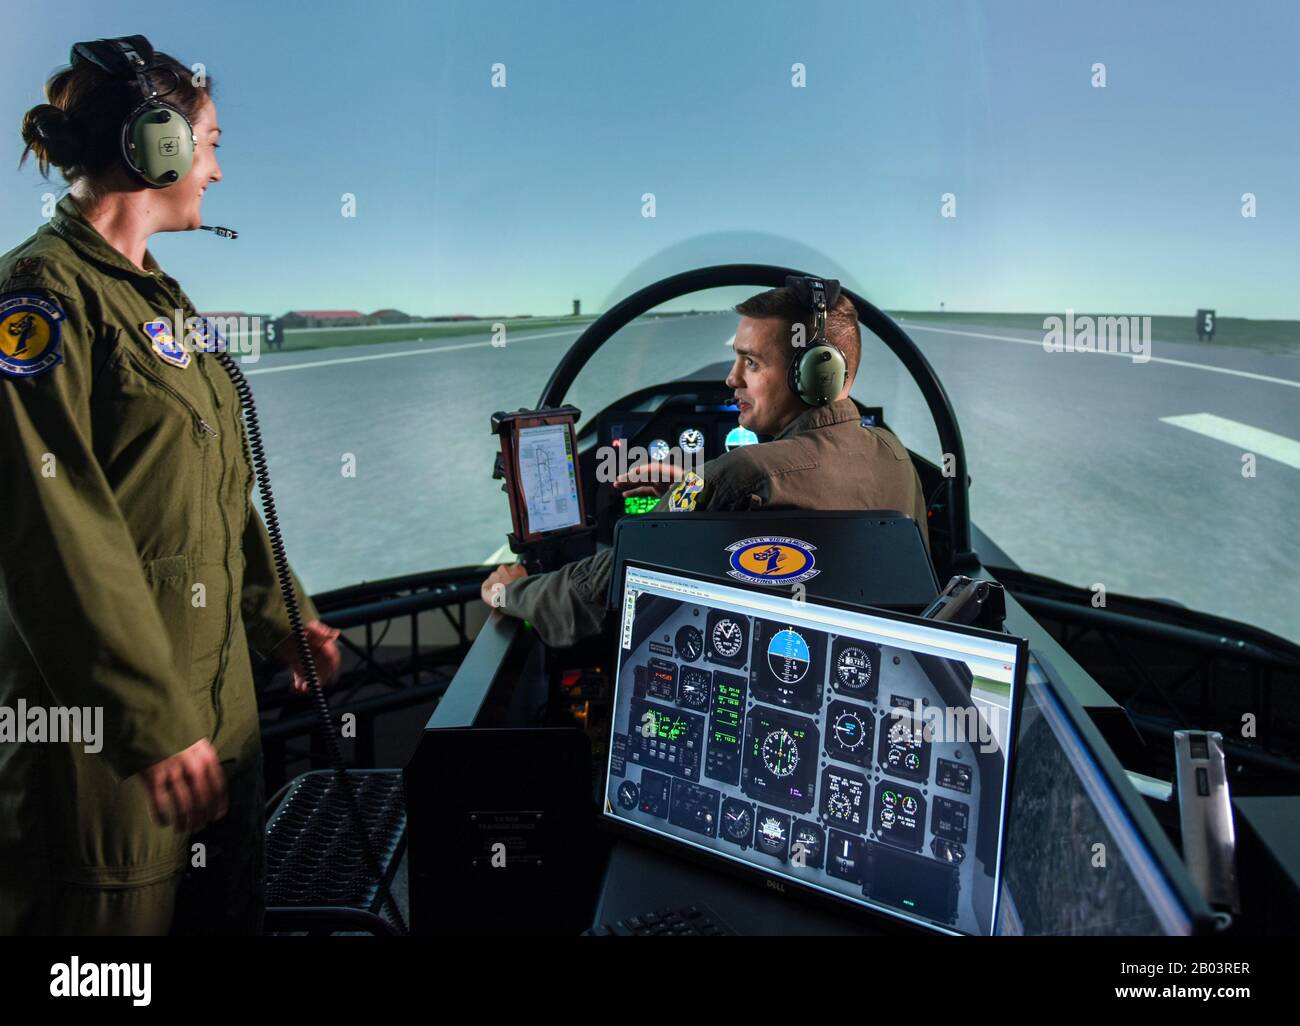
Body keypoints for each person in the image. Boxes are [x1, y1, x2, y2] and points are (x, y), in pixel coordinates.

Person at [0, 36, 340, 935]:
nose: (218, 171)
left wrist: (286, 619)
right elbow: (50, 526)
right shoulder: (40, 297)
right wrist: (149, 722)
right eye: (213, 143)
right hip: (109, 762)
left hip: (213, 728)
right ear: (160, 146)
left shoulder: (159, 302)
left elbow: (216, 495)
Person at [481, 280, 930, 647]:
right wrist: (694, 493)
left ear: (815, 375)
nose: (732, 378)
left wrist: (511, 589)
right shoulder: (895, 457)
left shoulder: (741, 475)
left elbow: (591, 595)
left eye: (751, 363)